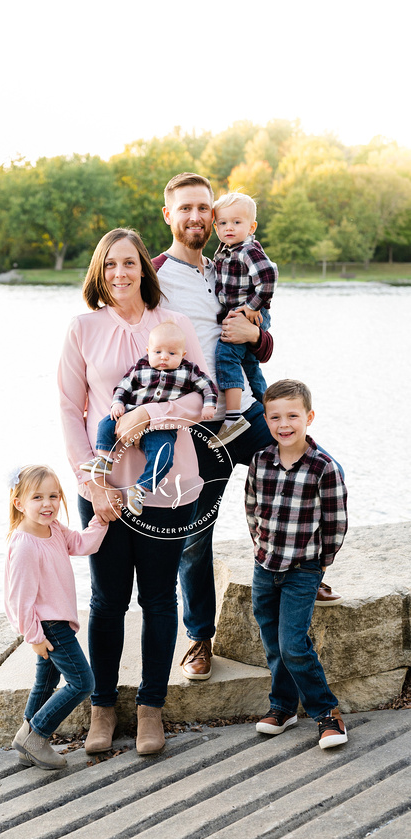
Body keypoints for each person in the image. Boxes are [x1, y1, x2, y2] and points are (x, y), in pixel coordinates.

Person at [153, 172, 341, 683]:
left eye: (204, 209)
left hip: (245, 411)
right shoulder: (154, 274)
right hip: (195, 423)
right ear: (169, 215)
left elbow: (263, 338)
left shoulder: (225, 262)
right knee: (195, 536)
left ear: (215, 216)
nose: (197, 217)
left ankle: (307, 571)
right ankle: (199, 639)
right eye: (186, 208)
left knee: (308, 466)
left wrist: (256, 333)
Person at [58, 228, 210, 755]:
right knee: (106, 600)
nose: (119, 273)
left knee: (160, 597)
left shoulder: (177, 326)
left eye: (128, 263)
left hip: (169, 484)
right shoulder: (82, 328)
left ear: (144, 268)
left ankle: (150, 709)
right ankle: (102, 708)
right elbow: (68, 410)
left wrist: (152, 412)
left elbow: (204, 403)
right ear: (99, 273)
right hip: (105, 485)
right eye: (109, 265)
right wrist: (90, 482)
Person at [246, 380, 348, 749]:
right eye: (275, 416)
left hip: (303, 570)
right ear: (266, 419)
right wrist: (261, 547)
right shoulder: (260, 461)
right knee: (272, 642)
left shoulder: (324, 468)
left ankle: (327, 713)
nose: (283, 424)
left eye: (292, 415)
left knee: (293, 644)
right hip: (265, 566)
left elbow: (336, 524)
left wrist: (320, 564)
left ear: (309, 417)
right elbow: (252, 510)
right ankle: (283, 707)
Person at [4, 464, 108, 769]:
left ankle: (27, 741)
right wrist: (34, 637)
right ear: (19, 503)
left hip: (57, 621)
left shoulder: (55, 530)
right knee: (82, 682)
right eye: (37, 497)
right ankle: (36, 735)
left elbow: (82, 544)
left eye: (53, 496)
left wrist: (100, 519)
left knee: (45, 682)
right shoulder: (24, 544)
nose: (48, 504)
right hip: (47, 625)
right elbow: (20, 598)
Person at [80, 320, 217, 516]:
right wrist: (117, 403)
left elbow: (207, 386)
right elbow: (123, 387)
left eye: (172, 353)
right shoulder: (140, 367)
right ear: (148, 351)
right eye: (158, 352)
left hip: (161, 427)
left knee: (164, 455)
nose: (164, 357)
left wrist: (209, 404)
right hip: (128, 412)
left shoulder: (188, 370)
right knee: (105, 424)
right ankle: (104, 459)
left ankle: (142, 488)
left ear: (182, 355)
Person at [208, 192, 277, 449]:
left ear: (251, 226)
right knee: (249, 365)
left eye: (237, 222)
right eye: (223, 223)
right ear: (215, 226)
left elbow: (268, 277)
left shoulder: (247, 250)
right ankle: (268, 408)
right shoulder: (224, 252)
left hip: (249, 314)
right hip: (240, 314)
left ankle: (233, 417)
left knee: (226, 355)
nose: (229, 228)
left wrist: (251, 307)